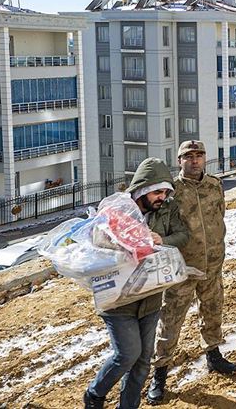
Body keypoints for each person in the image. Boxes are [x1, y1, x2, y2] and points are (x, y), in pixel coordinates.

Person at [84, 158, 189, 409]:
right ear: (142, 190)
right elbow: (97, 247)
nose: (161, 197)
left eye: (165, 192)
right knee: (127, 355)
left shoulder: (165, 210)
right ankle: (95, 395)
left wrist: (159, 239)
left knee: (143, 360)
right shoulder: (116, 212)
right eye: (157, 192)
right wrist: (130, 243)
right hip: (119, 299)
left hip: (150, 296)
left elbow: (182, 236)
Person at [146, 141, 236, 405]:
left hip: (212, 264)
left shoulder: (214, 185)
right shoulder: (171, 192)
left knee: (213, 310)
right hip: (182, 269)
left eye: (199, 156)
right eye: (189, 156)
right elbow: (161, 228)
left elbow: (220, 217)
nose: (195, 161)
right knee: (171, 320)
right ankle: (160, 373)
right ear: (179, 161)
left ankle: (214, 355)